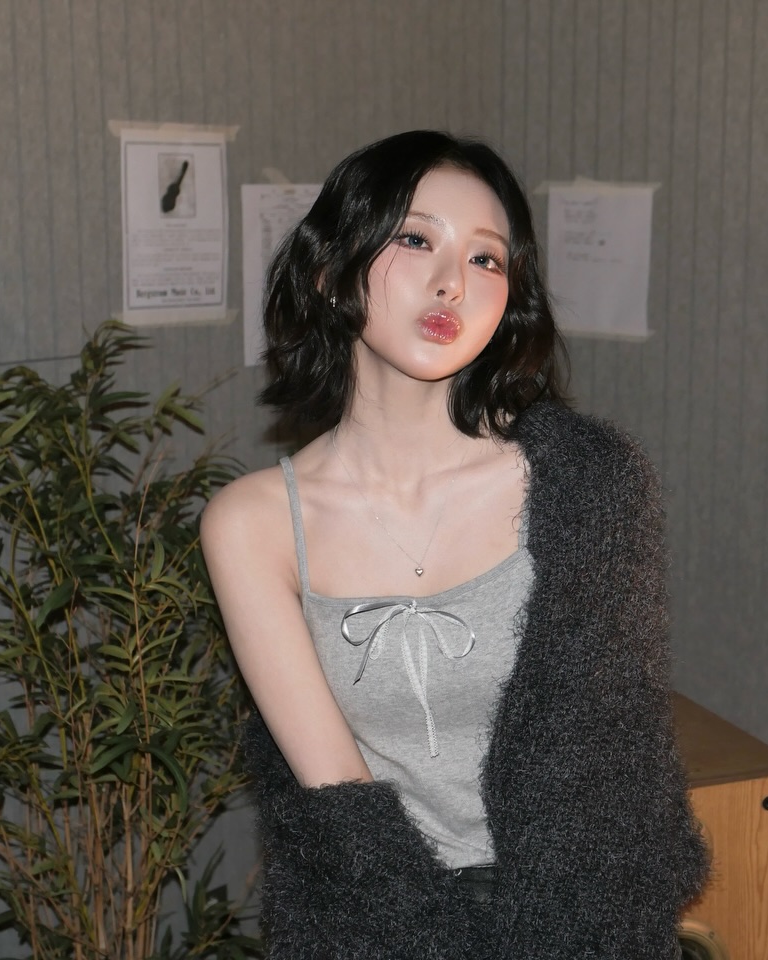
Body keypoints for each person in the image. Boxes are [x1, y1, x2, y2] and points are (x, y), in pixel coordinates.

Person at [200, 130, 707, 960]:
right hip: (376, 927)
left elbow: (611, 788)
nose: (452, 282)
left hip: (585, 927)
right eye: (415, 239)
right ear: (329, 269)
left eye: (486, 258)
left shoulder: (589, 483)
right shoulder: (251, 525)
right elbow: (340, 811)